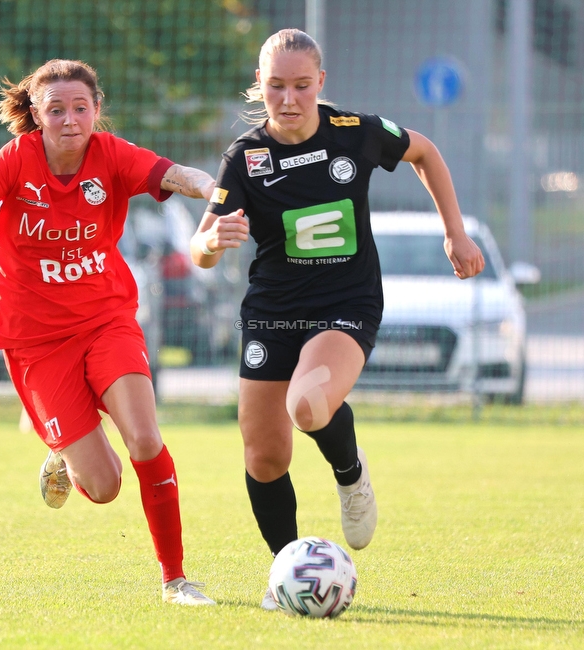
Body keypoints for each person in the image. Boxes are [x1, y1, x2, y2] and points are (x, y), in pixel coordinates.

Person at [0, 59, 216, 605]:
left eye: (80, 108)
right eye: (56, 109)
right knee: (105, 488)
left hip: (107, 320)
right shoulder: (16, 160)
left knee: (144, 437)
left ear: (96, 110)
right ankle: (64, 451)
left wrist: (216, 191)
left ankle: (175, 579)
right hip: (36, 341)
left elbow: (177, 174)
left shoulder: (111, 155)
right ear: (37, 116)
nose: (70, 119)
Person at [190, 29, 485, 609]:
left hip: (345, 306)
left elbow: (425, 152)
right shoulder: (245, 158)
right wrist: (212, 241)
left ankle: (350, 475)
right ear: (260, 86)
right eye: (276, 86)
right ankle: (288, 573)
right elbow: (200, 248)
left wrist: (455, 231)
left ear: (320, 83)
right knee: (264, 454)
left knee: (307, 406)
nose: (289, 98)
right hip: (272, 312)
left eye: (302, 85)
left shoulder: (356, 133)